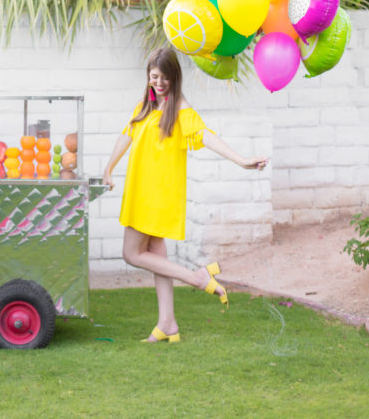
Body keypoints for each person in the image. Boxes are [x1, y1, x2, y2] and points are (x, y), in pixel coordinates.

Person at [102, 46, 268, 343]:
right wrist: (108, 168)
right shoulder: (145, 105)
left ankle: (197, 278)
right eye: (155, 76)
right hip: (141, 190)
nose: (160, 83)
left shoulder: (178, 107)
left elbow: (205, 135)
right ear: (148, 76)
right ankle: (168, 324)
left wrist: (241, 159)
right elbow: (127, 133)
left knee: (131, 253)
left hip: (156, 195)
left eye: (165, 78)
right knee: (155, 255)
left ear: (175, 78)